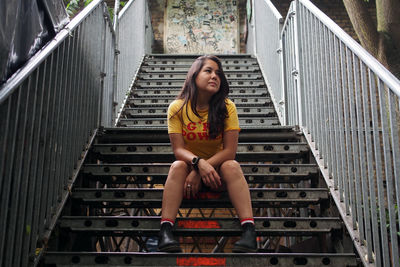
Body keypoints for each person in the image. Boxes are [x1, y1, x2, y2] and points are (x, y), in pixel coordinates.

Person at [158, 55, 256, 253]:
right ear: (194, 75)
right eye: (208, 71)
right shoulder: (177, 108)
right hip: (188, 170)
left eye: (218, 73)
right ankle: (165, 230)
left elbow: (230, 151)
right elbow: (178, 150)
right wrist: (197, 164)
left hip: (218, 172)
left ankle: (249, 231)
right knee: (177, 166)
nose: (215, 76)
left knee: (232, 165)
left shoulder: (227, 107)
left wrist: (202, 168)